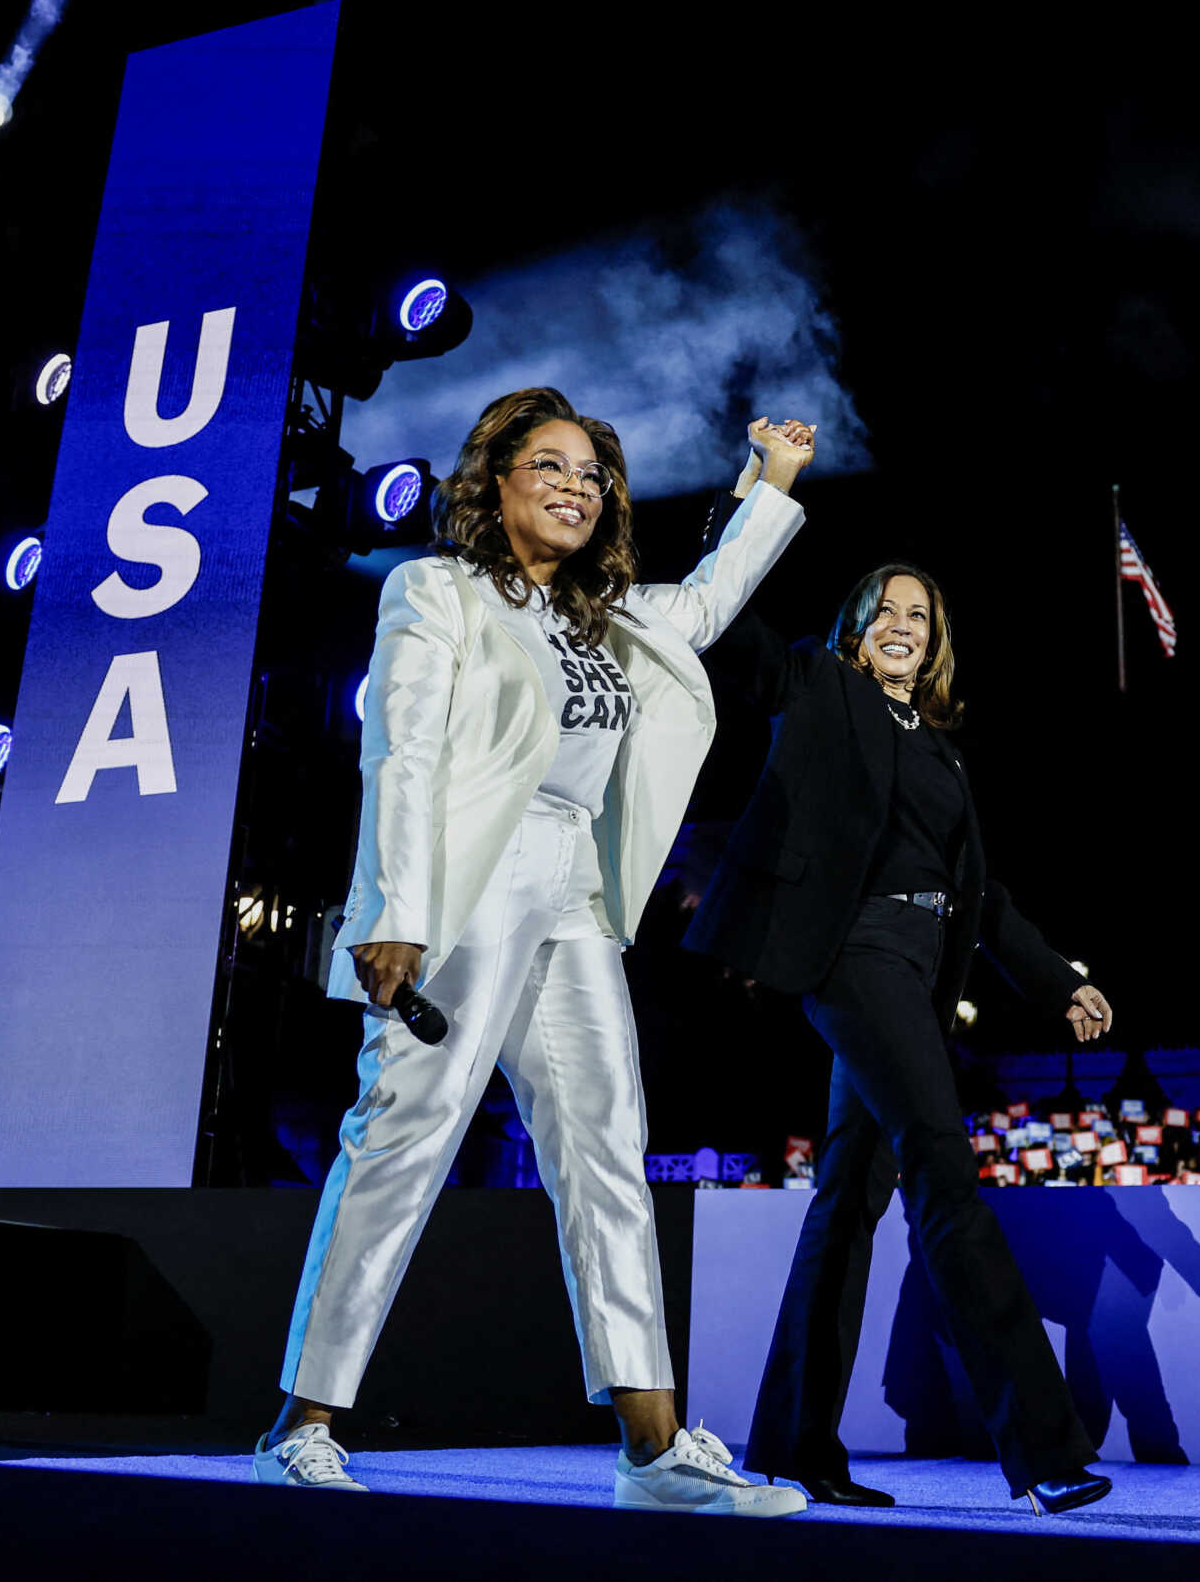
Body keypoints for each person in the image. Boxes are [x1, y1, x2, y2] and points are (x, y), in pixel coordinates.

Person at [258, 388, 816, 1516]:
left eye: (593, 473)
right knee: (403, 1139)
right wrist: (396, 908)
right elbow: (401, 753)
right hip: (469, 881)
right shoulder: (439, 593)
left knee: (609, 1148)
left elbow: (706, 601)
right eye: (548, 465)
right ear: (494, 484)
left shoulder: (608, 617)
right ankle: (302, 1424)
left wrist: (771, 486)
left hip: (575, 888)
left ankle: (653, 1450)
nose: (575, 485)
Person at [684, 563, 1119, 1516]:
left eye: (919, 616)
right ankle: (1044, 1448)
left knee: (847, 1201)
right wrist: (753, 500)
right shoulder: (818, 682)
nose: (902, 624)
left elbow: (983, 897)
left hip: (921, 975)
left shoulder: (943, 752)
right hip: (852, 953)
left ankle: (797, 1447)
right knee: (940, 1166)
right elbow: (735, 635)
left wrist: (1060, 982)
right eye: (885, 609)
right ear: (853, 626)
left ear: (937, 643)